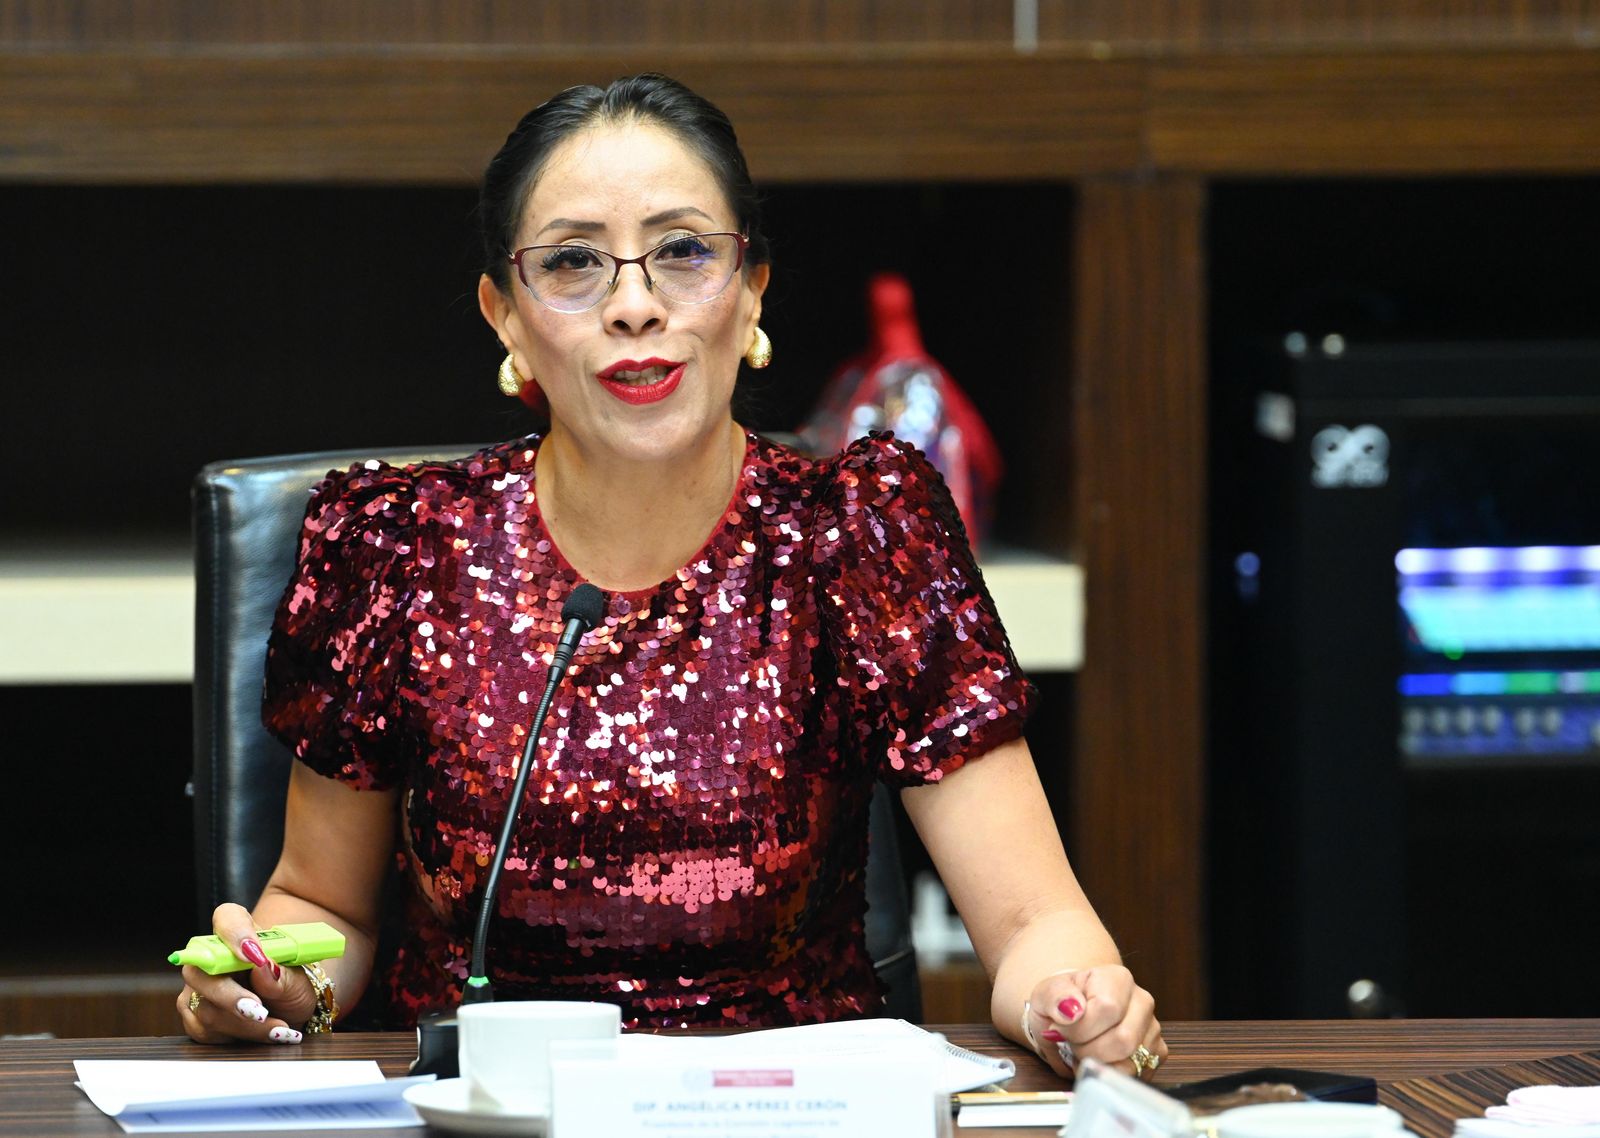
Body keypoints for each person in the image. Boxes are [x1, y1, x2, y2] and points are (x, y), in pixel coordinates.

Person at [176, 72, 1166, 1081]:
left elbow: (1036, 923)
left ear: (752, 289)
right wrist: (283, 984)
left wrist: (1073, 1007)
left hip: (787, 1112)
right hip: (484, 1111)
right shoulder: (400, 549)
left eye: (684, 252)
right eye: (573, 262)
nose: (635, 306)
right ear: (505, 315)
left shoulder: (856, 538)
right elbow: (325, 908)